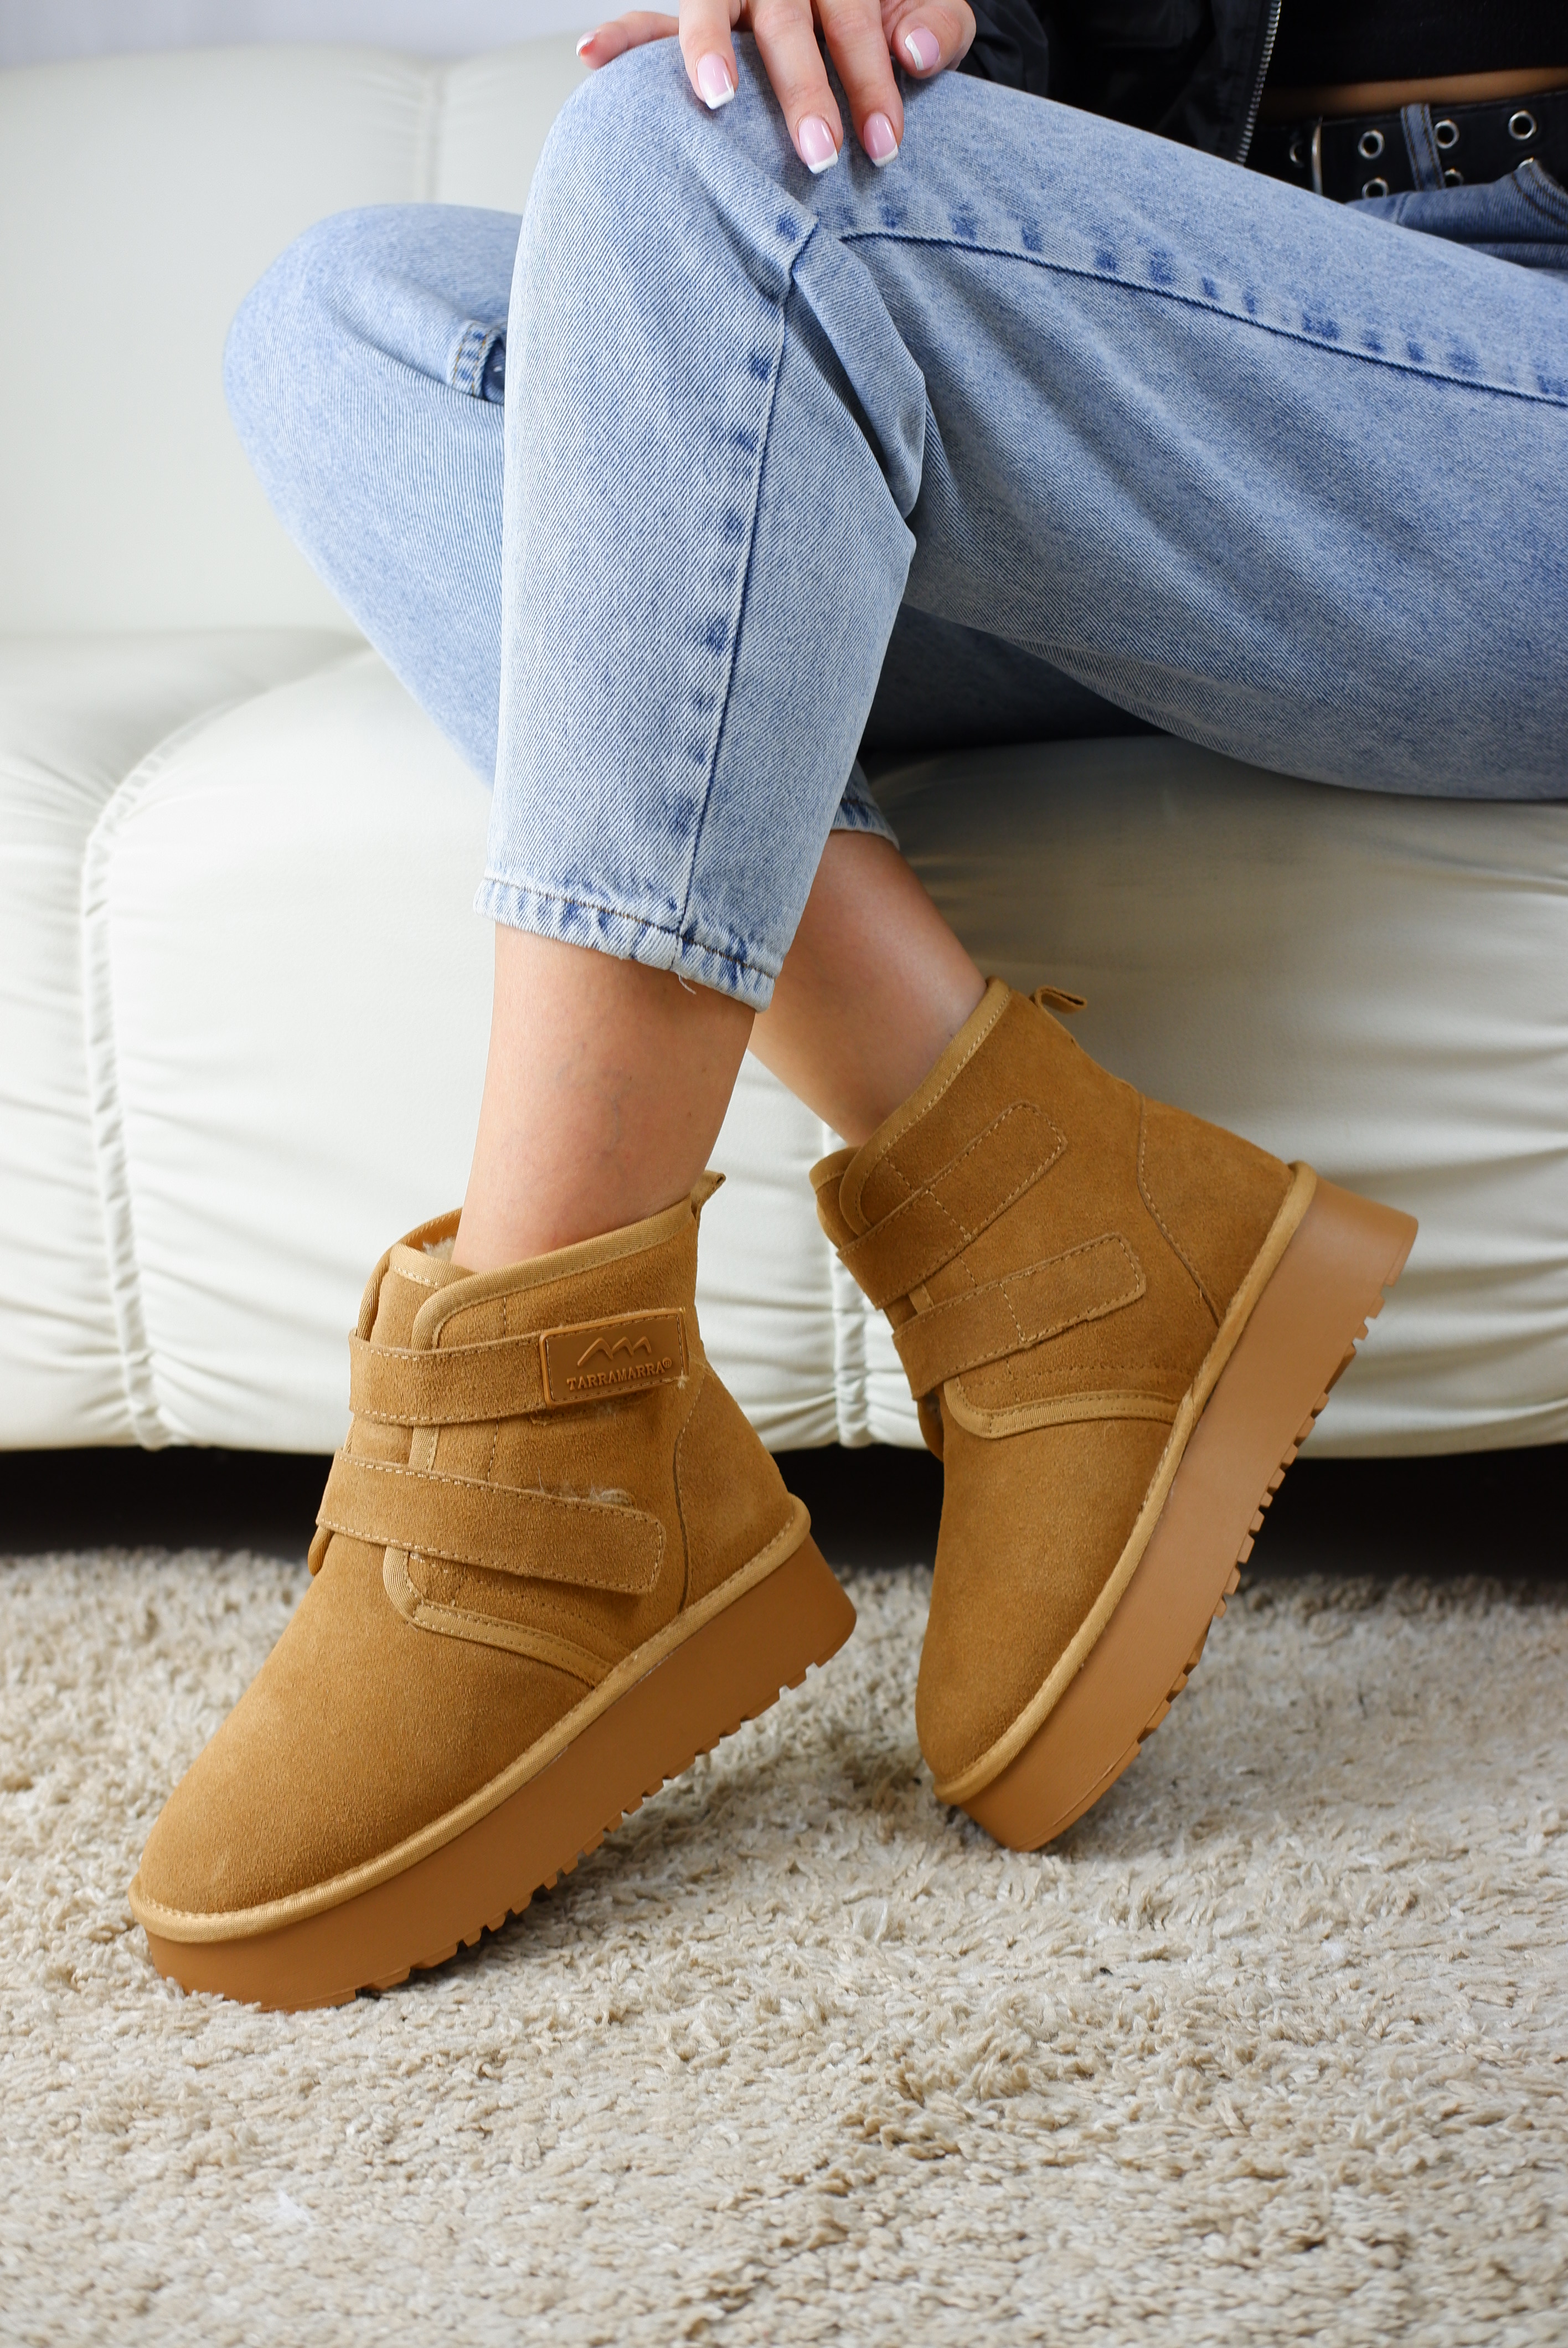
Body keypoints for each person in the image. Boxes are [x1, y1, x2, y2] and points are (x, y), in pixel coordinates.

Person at [127, 0, 1566, 2009]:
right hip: (1168, 342)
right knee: (348, 320)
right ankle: (1047, 1228)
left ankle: (553, 1449)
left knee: (715, 155)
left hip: (1515, 392)